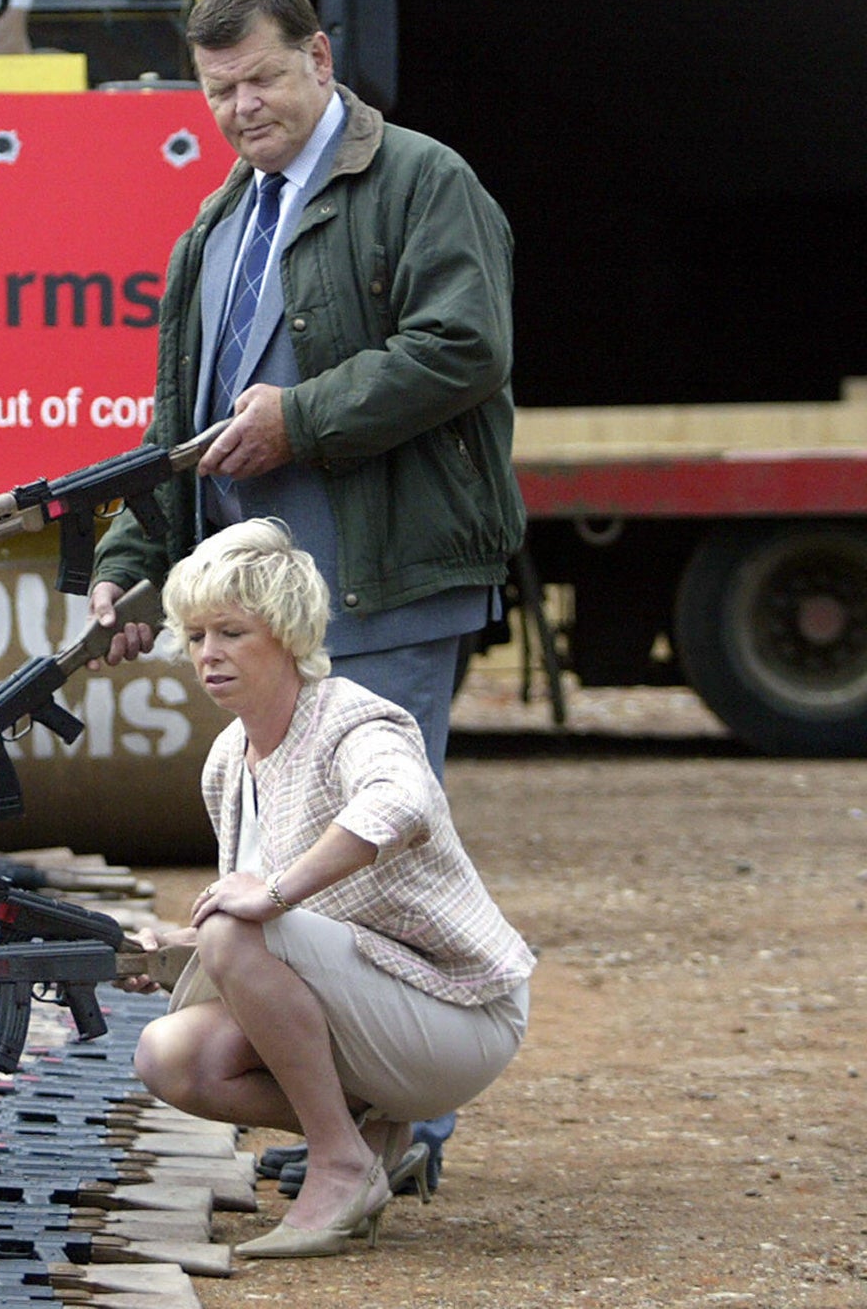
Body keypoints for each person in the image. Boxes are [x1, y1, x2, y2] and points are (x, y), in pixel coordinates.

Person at [87, 0, 524, 1191]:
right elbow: (173, 420)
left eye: (261, 79)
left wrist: (303, 419)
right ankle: (345, 1121)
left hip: (381, 582)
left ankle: (394, 1133)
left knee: (368, 861)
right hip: (268, 609)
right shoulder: (216, 225)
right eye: (217, 89)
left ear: (320, 60)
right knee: (286, 870)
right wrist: (131, 559)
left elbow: (463, 344)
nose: (239, 107)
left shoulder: (423, 180)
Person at [125, 520, 533, 1260]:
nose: (208, 655)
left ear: (285, 633)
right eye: (194, 637)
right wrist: (174, 949)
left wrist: (272, 895)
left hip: (460, 1011)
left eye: (231, 632)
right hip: (373, 1011)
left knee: (234, 927)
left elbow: (399, 802)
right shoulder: (227, 760)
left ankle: (340, 1166)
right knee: (169, 1057)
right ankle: (366, 1138)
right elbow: (275, 926)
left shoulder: (353, 719)